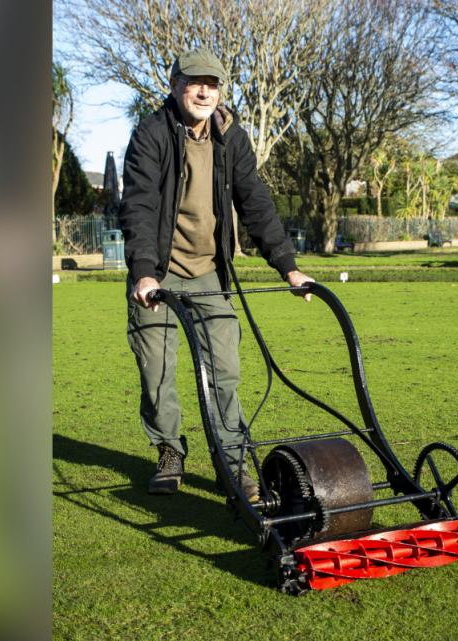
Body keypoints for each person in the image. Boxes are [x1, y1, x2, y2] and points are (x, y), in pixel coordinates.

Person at [119, 49, 314, 500]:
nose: (205, 90)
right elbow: (140, 207)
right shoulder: (151, 135)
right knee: (156, 371)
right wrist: (145, 273)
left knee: (225, 372)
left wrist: (289, 267)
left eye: (213, 83)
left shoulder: (232, 137)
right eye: (195, 82)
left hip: (209, 273)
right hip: (160, 276)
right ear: (175, 85)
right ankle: (170, 451)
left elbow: (256, 204)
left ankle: (235, 466)